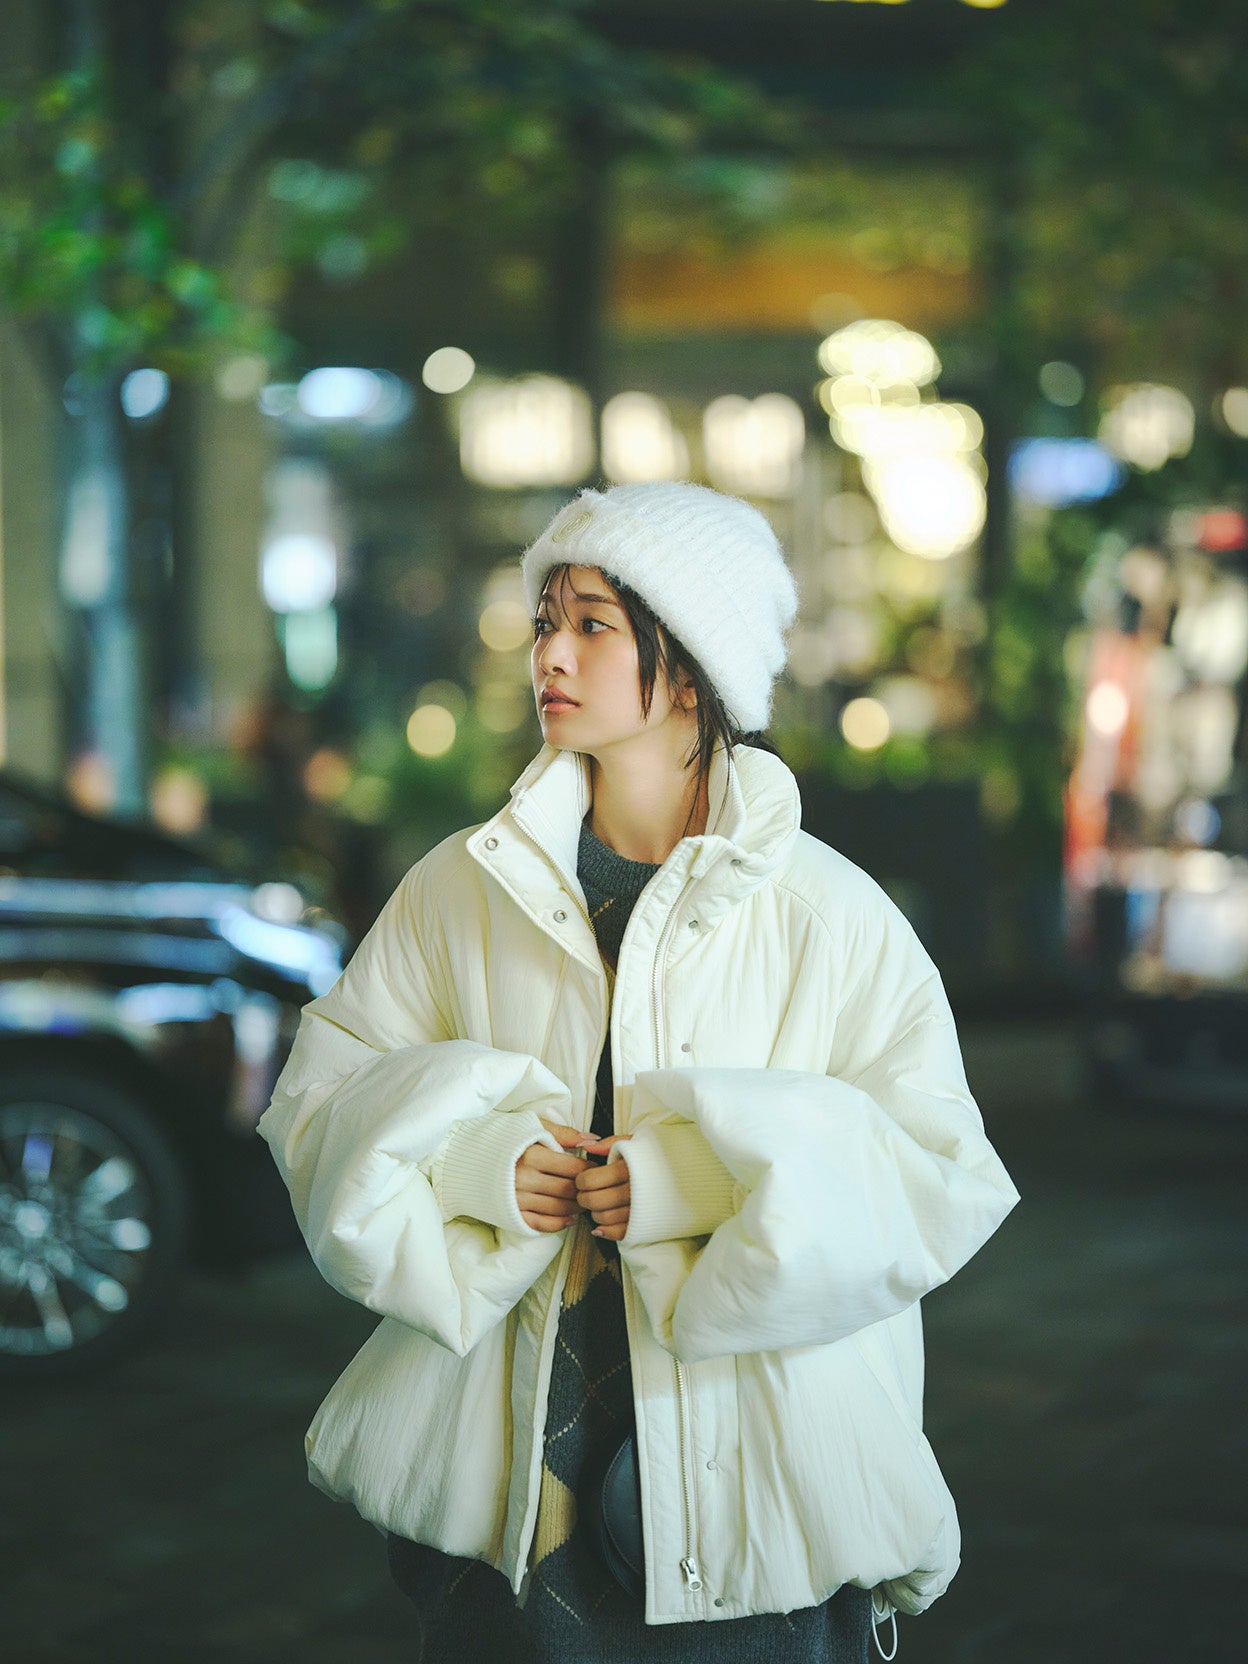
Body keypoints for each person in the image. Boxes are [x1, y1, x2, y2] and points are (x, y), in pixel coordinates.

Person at [256, 480, 1020, 1664]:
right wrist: (480, 1163)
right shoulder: (462, 886)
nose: (550, 653)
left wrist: (696, 1187)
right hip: (506, 1509)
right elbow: (316, 1101)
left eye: (593, 624)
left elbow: (942, 1174)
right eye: (544, 620)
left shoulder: (827, 912)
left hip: (754, 1502)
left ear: (695, 666)